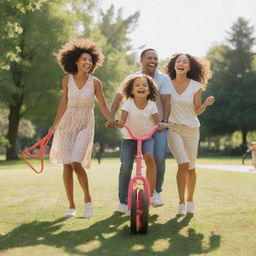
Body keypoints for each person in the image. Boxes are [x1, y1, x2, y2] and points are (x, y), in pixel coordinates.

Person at [49, 39, 111, 218]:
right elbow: (63, 103)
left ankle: (88, 199)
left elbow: (103, 106)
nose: (87, 63)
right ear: (75, 61)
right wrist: (54, 125)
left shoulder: (96, 82)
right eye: (84, 59)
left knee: (76, 162)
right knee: (66, 165)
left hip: (85, 124)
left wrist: (112, 119)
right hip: (67, 124)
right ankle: (71, 206)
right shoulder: (66, 80)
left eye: (90, 60)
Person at [108, 49, 171, 211]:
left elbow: (165, 103)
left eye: (155, 58)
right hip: (130, 135)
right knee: (126, 166)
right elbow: (119, 104)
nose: (153, 60)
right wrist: (112, 119)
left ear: (150, 90)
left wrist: (163, 123)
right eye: (149, 57)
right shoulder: (131, 81)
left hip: (150, 131)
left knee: (156, 159)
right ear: (141, 60)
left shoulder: (162, 82)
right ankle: (123, 201)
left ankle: (154, 192)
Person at [164, 53, 215, 215]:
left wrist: (206, 103)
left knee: (191, 168)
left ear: (189, 67)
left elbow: (196, 111)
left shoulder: (195, 86)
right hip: (173, 129)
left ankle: (190, 200)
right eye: (178, 61)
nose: (181, 64)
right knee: (183, 163)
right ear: (174, 65)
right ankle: (181, 203)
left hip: (192, 130)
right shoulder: (166, 84)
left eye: (185, 62)